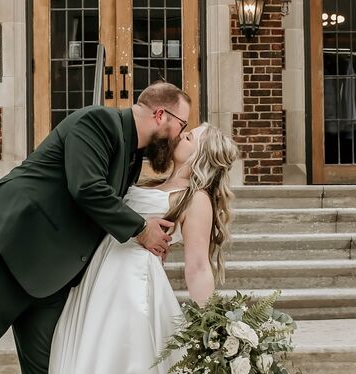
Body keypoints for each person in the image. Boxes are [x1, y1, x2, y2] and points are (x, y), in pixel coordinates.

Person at [0, 82, 192, 374]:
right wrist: (141, 229)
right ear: (160, 115)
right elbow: (87, 188)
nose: (180, 135)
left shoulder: (132, 157)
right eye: (182, 125)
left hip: (53, 274)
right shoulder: (98, 121)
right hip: (9, 247)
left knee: (51, 366)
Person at [49, 122, 238, 374]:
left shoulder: (196, 198)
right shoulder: (149, 183)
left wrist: (211, 323)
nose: (181, 135)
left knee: (122, 352)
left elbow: (198, 265)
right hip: (99, 273)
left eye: (189, 137)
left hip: (132, 282)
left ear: (200, 156)